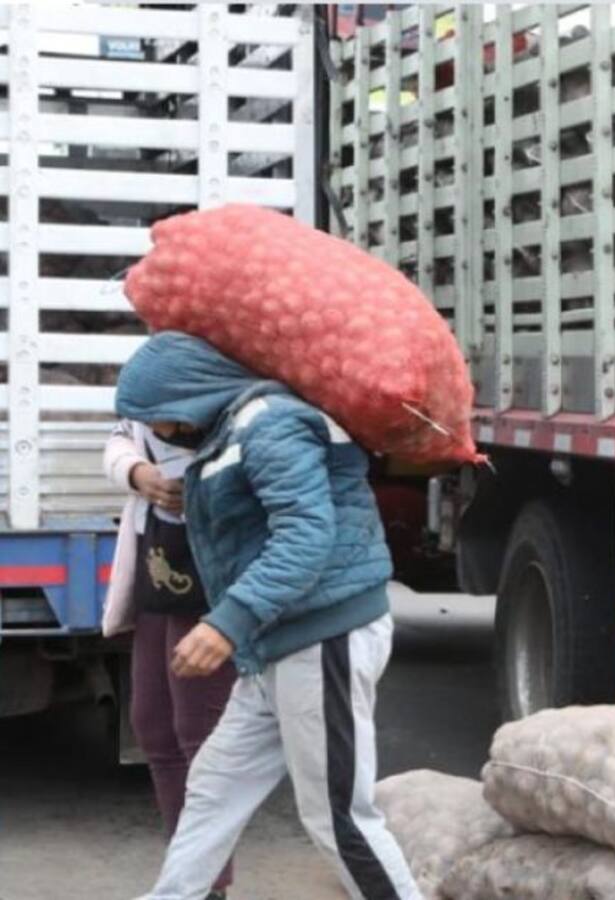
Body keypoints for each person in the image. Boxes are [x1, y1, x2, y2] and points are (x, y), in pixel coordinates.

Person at [118, 331, 421, 900]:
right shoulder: (229, 431)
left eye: (156, 418)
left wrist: (226, 622)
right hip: (274, 644)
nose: (157, 433)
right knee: (212, 787)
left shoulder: (270, 424)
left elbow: (305, 536)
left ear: (186, 398)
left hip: (323, 634)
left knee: (338, 817)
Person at [103, 418, 236, 900]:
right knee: (153, 727)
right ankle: (188, 875)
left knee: (198, 736)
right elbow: (118, 439)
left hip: (209, 572)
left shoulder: (229, 377)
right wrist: (140, 474)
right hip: (157, 564)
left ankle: (207, 883)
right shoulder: (154, 372)